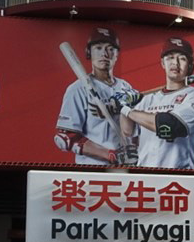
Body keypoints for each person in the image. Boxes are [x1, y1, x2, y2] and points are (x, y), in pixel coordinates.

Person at [120, 37, 194, 171]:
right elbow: (127, 131)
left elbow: (169, 126)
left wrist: (127, 111)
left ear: (190, 64)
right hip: (146, 174)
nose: (175, 63)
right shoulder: (148, 99)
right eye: (170, 58)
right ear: (162, 63)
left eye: (182, 58)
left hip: (181, 175)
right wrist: (125, 104)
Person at [56, 27, 136, 166]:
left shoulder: (125, 87)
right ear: (89, 52)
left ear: (117, 54)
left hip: (125, 167)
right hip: (92, 169)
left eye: (110, 49)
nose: (104, 54)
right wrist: (109, 154)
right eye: (98, 48)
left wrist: (133, 148)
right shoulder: (78, 89)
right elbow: (66, 138)